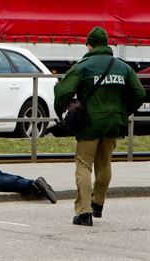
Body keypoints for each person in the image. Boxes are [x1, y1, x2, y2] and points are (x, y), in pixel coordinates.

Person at [54, 26, 146, 226]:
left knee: (84, 164)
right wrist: (123, 111)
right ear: (106, 45)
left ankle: (84, 212)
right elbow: (139, 93)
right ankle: (98, 203)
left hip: (90, 124)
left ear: (89, 45)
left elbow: (62, 93)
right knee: (104, 163)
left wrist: (61, 111)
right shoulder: (123, 67)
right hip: (114, 123)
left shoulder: (83, 66)